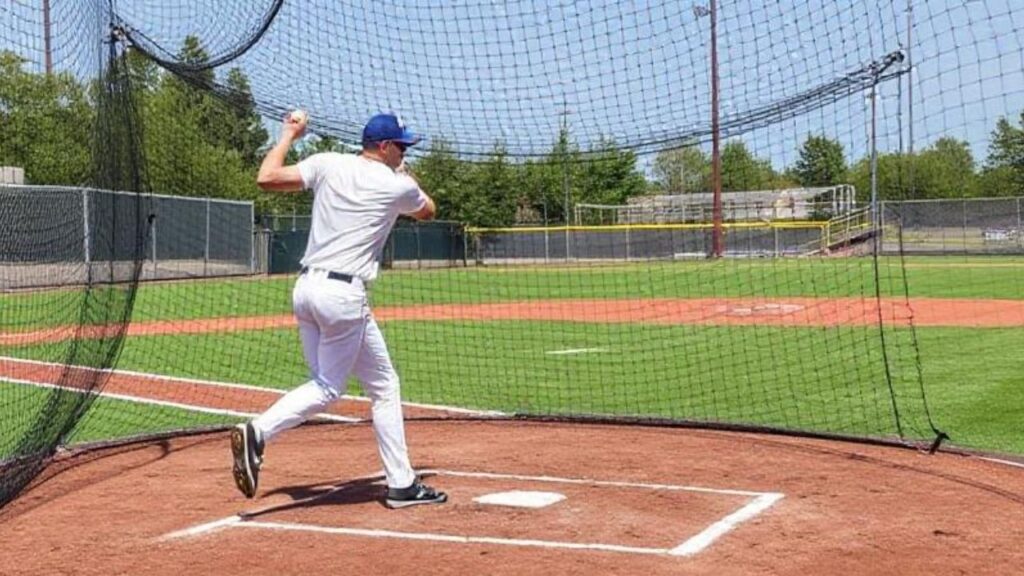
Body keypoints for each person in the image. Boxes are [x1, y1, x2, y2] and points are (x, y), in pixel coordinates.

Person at [230, 112, 447, 509]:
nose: (404, 152)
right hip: (343, 295)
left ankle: (401, 483)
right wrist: (409, 177)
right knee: (331, 387)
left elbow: (267, 177)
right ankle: (258, 431)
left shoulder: (328, 162)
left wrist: (288, 135)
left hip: (306, 288)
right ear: (383, 147)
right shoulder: (396, 184)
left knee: (380, 384)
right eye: (401, 146)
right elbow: (428, 210)